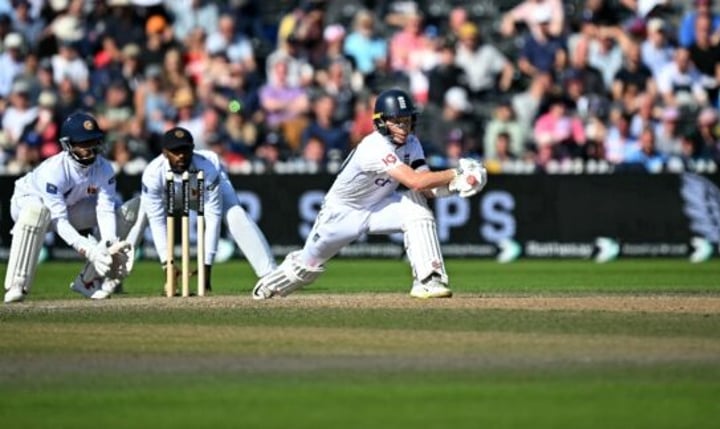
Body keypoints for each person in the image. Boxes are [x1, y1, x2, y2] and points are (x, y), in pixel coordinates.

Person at [252, 88, 487, 300]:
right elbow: (415, 182)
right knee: (308, 266)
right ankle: (267, 287)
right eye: (397, 122)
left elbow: (425, 190)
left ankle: (428, 280)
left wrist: (459, 184)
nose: (403, 128)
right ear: (382, 122)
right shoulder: (373, 147)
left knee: (417, 211)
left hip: (378, 207)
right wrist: (456, 173)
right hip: (341, 214)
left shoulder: (412, 144)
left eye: (407, 121)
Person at [4, 112, 135, 303]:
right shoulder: (54, 171)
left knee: (121, 212)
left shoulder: (104, 168)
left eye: (93, 141)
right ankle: (17, 284)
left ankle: (88, 282)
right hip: (25, 203)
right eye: (83, 143)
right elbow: (58, 221)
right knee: (38, 212)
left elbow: (104, 209)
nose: (90, 148)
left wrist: (109, 245)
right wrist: (89, 249)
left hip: (69, 206)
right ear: (68, 144)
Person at [134, 126, 276, 292]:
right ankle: (110, 281)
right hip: (170, 196)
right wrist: (167, 264)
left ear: (193, 150)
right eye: (175, 151)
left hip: (200, 194)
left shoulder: (208, 166)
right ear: (165, 152)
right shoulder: (152, 174)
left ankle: (270, 275)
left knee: (235, 213)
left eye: (185, 150)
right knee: (139, 211)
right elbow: (157, 222)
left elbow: (212, 217)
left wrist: (206, 265)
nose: (181, 156)